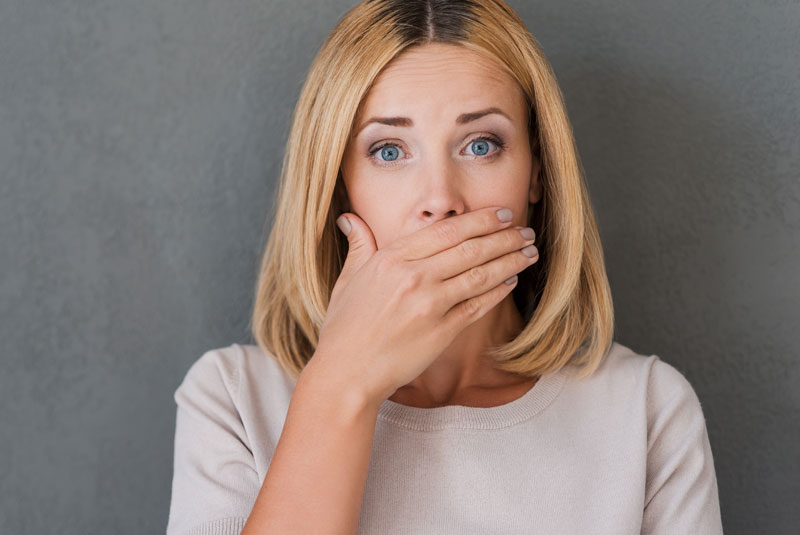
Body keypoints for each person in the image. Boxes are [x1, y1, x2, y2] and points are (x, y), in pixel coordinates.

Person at [166, 1, 723, 534]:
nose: (440, 199)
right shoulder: (234, 400)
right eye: (388, 151)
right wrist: (341, 386)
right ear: (338, 191)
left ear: (536, 174)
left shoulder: (646, 412)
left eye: (480, 145)